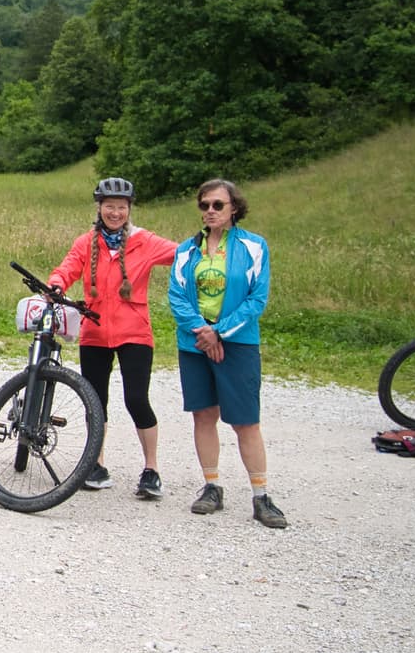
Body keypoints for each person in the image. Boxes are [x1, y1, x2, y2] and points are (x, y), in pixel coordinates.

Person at [46, 177, 179, 497]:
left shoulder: (144, 241)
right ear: (100, 208)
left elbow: (182, 254)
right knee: (96, 401)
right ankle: (96, 463)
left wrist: (211, 250)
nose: (115, 212)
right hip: (95, 332)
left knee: (136, 399)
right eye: (109, 207)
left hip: (134, 332)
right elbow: (67, 268)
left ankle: (151, 469)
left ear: (129, 209)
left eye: (121, 207)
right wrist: (57, 284)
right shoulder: (86, 243)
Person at [168, 178, 285, 528]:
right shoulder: (187, 250)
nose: (210, 211)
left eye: (217, 205)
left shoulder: (254, 246)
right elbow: (176, 296)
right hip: (194, 344)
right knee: (203, 415)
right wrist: (203, 332)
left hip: (237, 342)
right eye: (204, 205)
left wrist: (219, 331)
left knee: (245, 420)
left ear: (234, 207)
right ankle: (212, 486)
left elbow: (256, 298)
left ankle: (261, 495)